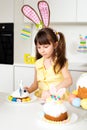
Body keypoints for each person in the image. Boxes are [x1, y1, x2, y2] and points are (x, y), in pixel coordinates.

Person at [24, 27, 73, 99]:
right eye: (39, 47)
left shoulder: (60, 61)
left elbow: (68, 80)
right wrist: (27, 91)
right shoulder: (38, 63)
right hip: (42, 98)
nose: (42, 51)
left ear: (55, 45)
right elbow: (35, 84)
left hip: (57, 98)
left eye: (45, 47)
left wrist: (51, 92)